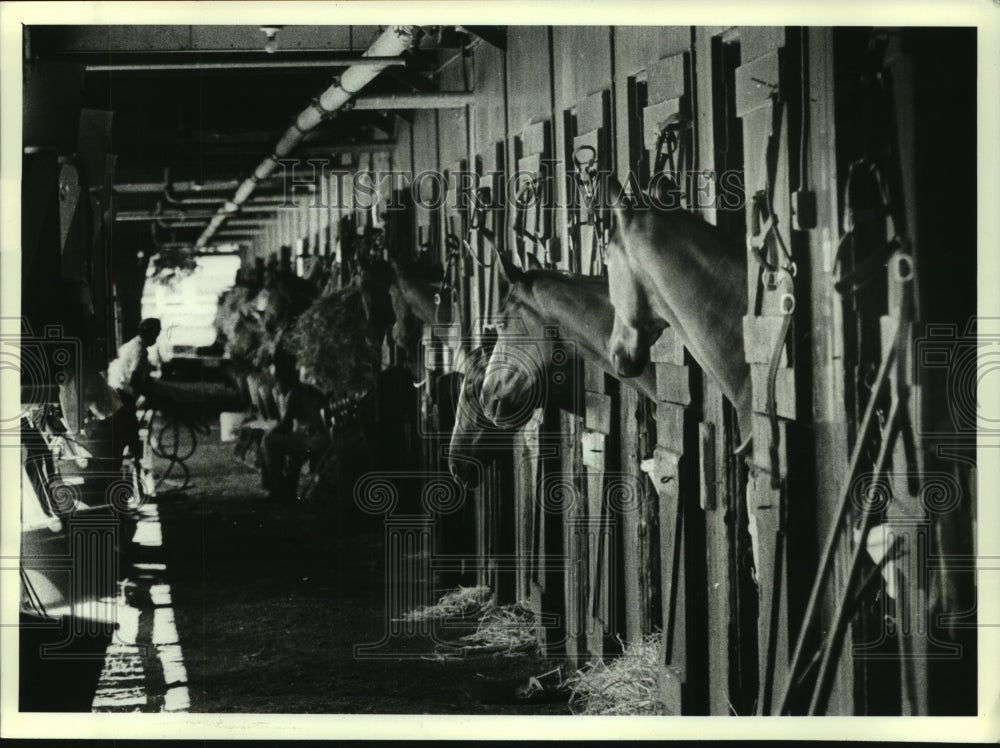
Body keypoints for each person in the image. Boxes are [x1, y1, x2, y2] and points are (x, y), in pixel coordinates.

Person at [260, 358, 329, 502]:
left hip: (315, 440)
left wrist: (269, 432)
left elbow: (285, 425)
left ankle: (276, 490)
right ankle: (285, 488)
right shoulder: (308, 390)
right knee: (280, 441)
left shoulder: (294, 393)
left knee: (268, 441)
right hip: (323, 437)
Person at [107, 318, 162, 409]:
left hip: (115, 390)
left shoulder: (132, 344)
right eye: (155, 335)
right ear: (149, 333)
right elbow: (134, 380)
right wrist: (151, 395)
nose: (155, 339)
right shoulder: (140, 350)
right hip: (122, 395)